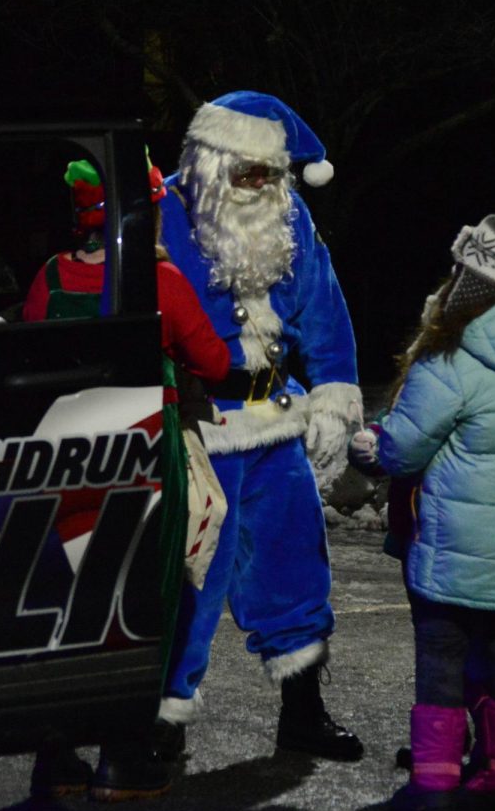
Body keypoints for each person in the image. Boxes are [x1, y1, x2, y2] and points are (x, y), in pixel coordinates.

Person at [153, 90, 364, 764]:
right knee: (191, 583)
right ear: (212, 161)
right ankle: (162, 726)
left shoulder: (289, 216)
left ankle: (303, 714)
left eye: (271, 175)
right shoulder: (164, 215)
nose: (262, 187)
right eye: (249, 174)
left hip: (275, 423)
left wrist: (333, 395)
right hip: (199, 430)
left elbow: (324, 310)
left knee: (295, 572)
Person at [348, 215, 495, 811]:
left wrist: (367, 443)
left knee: (443, 661)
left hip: (454, 548)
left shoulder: (451, 362)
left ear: (470, 280)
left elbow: (400, 451)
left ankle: (434, 786)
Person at [23, 157, 230, 802]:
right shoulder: (159, 280)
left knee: (67, 600)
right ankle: (123, 755)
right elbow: (215, 362)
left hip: (63, 456)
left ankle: (55, 755)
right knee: (145, 597)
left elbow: (29, 346)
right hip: (141, 456)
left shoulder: (51, 275)